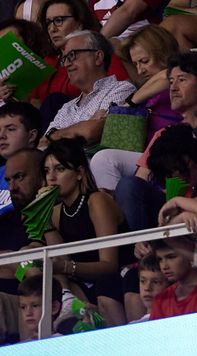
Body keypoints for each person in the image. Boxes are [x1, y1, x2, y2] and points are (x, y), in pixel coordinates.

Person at [41, 138, 132, 324]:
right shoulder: (57, 213)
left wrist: (67, 267)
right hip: (83, 284)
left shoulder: (97, 201)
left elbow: (109, 265)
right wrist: (43, 220)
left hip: (117, 279)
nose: (51, 177)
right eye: (47, 171)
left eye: (59, 169)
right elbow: (61, 258)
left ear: (80, 173)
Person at [42, 31, 135, 145]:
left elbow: (90, 132)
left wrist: (56, 134)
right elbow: (44, 143)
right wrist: (83, 126)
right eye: (64, 59)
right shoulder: (66, 108)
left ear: (98, 57)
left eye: (72, 55)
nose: (66, 64)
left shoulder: (121, 89)